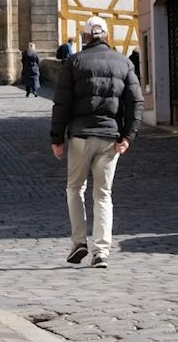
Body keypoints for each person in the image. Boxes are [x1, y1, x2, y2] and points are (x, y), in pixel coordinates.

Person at [50, 16, 142, 269]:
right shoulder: (123, 63)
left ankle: (79, 241)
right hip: (110, 138)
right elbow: (135, 102)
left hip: (80, 135)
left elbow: (62, 103)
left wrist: (57, 138)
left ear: (86, 36)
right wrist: (129, 135)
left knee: (75, 188)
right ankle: (101, 251)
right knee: (103, 194)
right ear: (107, 36)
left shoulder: (74, 62)